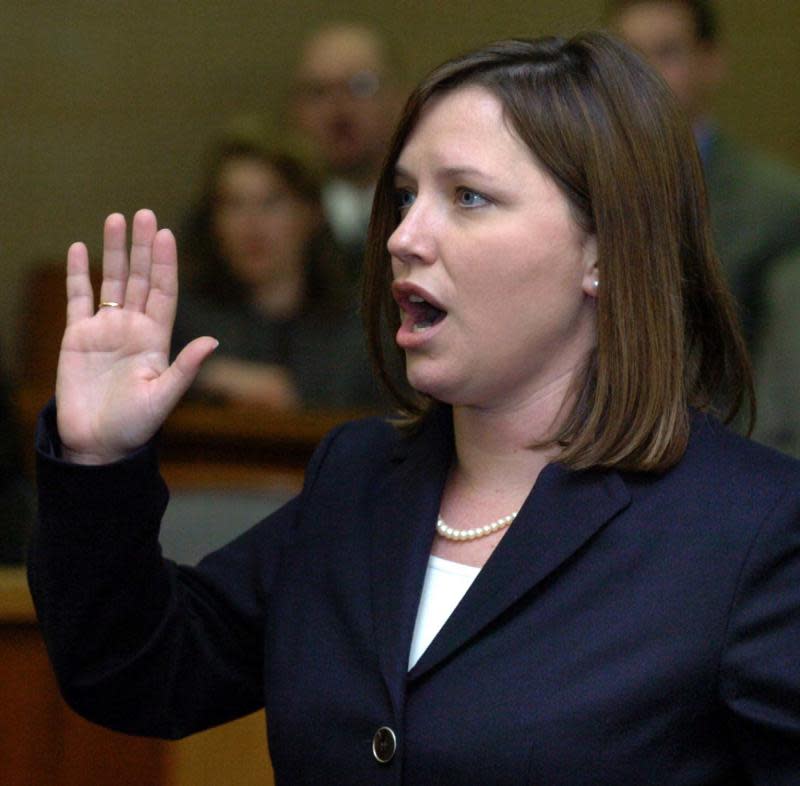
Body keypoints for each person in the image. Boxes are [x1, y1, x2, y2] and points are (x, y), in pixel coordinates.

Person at [28, 33, 800, 783]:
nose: (404, 236)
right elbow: (138, 669)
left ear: (602, 250)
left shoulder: (754, 529)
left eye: (467, 197)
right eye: (403, 196)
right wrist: (97, 456)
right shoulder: (358, 476)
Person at [607, 0, 800, 348]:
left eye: (666, 52)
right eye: (629, 56)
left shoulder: (776, 204)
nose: (644, 73)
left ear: (710, 63)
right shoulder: (578, 184)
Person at [174, 138, 380, 410]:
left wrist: (296, 396)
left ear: (311, 213)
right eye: (234, 204)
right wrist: (201, 378)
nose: (252, 225)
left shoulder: (359, 325)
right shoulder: (185, 317)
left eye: (271, 202)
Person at [290, 22, 401, 283]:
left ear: (400, 99)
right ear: (295, 110)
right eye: (318, 92)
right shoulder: (268, 223)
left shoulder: (437, 213)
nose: (338, 109)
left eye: (360, 86)